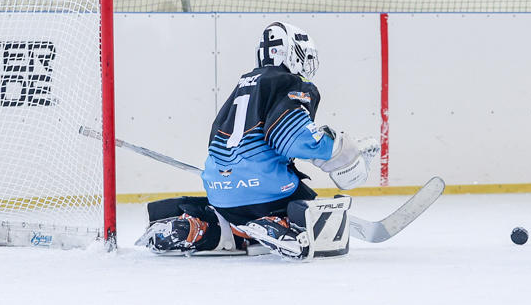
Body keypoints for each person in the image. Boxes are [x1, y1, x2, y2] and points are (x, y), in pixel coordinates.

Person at [140, 21, 377, 260]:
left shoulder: (243, 85)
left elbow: (217, 141)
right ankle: (277, 223)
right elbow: (293, 137)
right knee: (310, 210)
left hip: (220, 193)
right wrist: (339, 150)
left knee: (237, 223)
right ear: (293, 53)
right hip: (266, 190)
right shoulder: (290, 82)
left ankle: (196, 228)